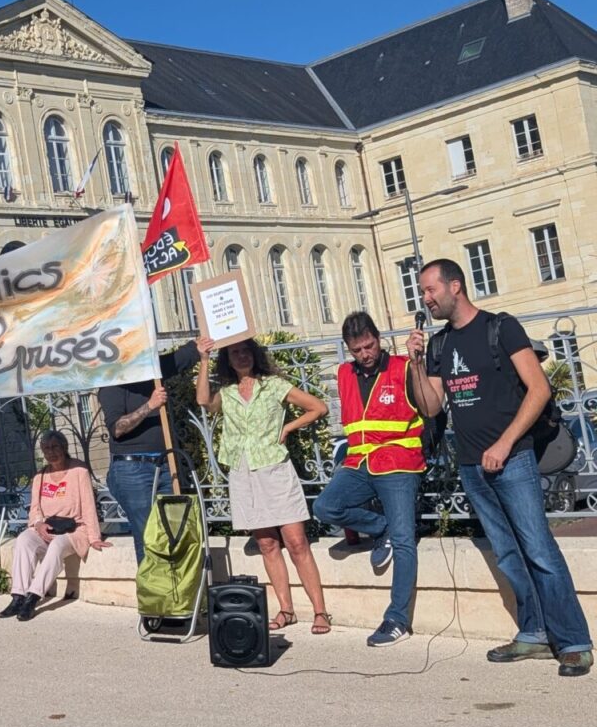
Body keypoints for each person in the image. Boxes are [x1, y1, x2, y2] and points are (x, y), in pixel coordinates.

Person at [407, 258, 593, 677]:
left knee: (538, 549)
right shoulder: (438, 346)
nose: (425, 299)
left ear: (455, 286)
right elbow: (431, 406)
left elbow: (539, 388)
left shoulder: (500, 327)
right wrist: (415, 363)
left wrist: (506, 443)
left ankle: (574, 642)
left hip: (513, 460)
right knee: (508, 553)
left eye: (430, 289)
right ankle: (534, 633)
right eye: (422, 292)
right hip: (471, 465)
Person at [196, 336, 332, 635]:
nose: (241, 356)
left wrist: (288, 427)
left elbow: (318, 407)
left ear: (255, 354)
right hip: (243, 472)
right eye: (235, 353)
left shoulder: (273, 385)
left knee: (296, 542)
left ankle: (320, 611)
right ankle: (286, 609)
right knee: (267, 544)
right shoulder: (227, 393)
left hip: (275, 469)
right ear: (228, 360)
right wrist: (204, 359)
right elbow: (204, 401)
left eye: (246, 351)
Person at [312, 312, 426, 646]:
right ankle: (381, 528)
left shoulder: (403, 367)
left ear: (379, 338)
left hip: (399, 461)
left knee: (404, 540)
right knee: (325, 507)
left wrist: (418, 362)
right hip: (359, 461)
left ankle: (397, 620)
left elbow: (430, 407)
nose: (365, 354)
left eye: (370, 345)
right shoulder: (344, 373)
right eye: (357, 349)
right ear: (348, 349)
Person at [98, 341, 200, 563]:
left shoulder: (151, 371)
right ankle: (152, 583)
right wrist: (150, 406)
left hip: (164, 464)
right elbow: (117, 428)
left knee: (173, 531)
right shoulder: (112, 385)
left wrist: (199, 346)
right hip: (132, 469)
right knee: (147, 534)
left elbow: (177, 361)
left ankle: (173, 581)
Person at [0, 430, 110, 622]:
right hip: (48, 527)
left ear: (64, 447)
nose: (51, 452)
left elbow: (88, 505)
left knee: (57, 545)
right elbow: (35, 509)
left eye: (55, 447)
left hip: (75, 529)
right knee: (24, 540)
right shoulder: (40, 477)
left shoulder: (79, 471)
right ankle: (18, 596)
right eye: (46, 449)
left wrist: (94, 538)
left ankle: (33, 597)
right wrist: (39, 524)